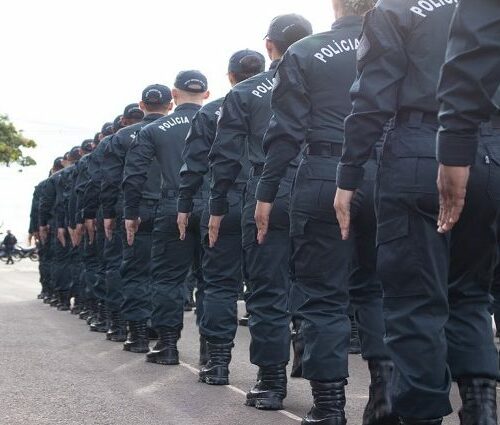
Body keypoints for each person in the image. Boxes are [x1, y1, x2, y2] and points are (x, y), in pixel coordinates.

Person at [333, 0, 499, 423]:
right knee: (471, 295)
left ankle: (422, 416)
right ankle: (481, 413)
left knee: (415, 303)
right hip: (490, 151)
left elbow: (372, 98)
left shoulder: (395, 9)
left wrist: (348, 175)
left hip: (420, 145)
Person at [253, 1, 394, 423]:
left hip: (323, 170)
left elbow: (286, 131)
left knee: (322, 297)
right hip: (387, 170)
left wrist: (267, 189)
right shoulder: (401, 40)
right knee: (378, 292)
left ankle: (330, 406)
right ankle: (384, 399)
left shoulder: (305, 51)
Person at [208, 14, 312, 410]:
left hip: (268, 190)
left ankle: (271, 383)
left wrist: (218, 207)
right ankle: (325, 388)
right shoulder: (327, 78)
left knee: (267, 291)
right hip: (323, 183)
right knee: (322, 289)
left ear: (270, 45)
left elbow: (226, 157)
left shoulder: (245, 93)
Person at [177, 50, 265, 380]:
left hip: (222, 204)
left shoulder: (212, 112)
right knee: (269, 287)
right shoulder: (280, 100)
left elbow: (195, 165)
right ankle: (273, 376)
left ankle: (216, 363)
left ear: (229, 77)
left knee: (218, 286)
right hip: (266, 199)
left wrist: (185, 205)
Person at [123, 70, 209, 365]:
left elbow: (134, 175)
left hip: (172, 205)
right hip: (215, 205)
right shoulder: (222, 120)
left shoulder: (154, 129)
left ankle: (168, 345)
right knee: (212, 281)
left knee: (168, 279)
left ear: (175, 95)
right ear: (206, 95)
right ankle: (213, 356)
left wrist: (131, 214)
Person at [101, 85, 170, 353]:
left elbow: (109, 181)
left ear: (142, 106)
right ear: (170, 104)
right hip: (173, 207)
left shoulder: (121, 136)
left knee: (134, 272)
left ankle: (138, 334)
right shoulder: (180, 129)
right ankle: (164, 338)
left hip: (136, 209)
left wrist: (109, 213)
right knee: (167, 275)